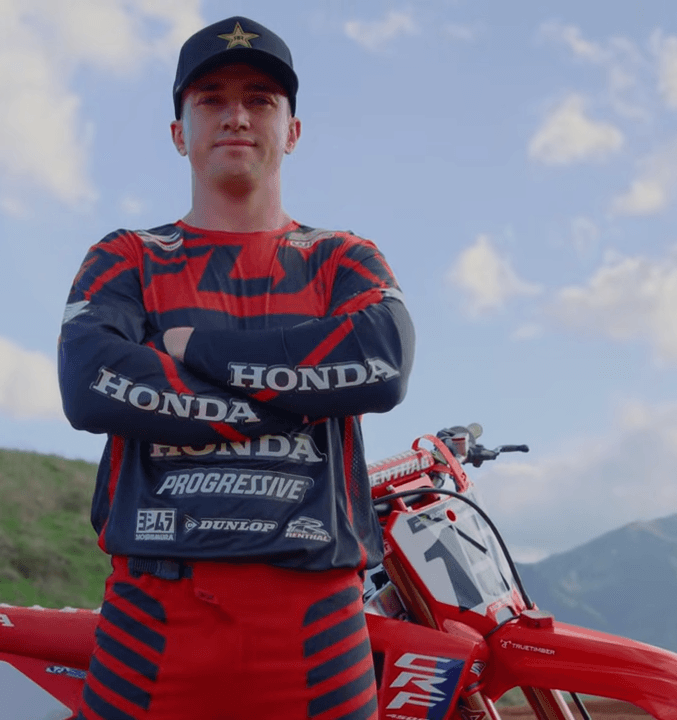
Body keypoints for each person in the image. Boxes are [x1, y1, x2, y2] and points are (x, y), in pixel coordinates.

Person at [57, 15, 415, 720]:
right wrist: (294, 393)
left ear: (293, 129)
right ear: (178, 132)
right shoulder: (127, 256)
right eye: (212, 99)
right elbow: (89, 384)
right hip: (155, 620)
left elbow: (381, 365)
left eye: (260, 99)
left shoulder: (344, 257)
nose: (237, 116)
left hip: (317, 624)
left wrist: (190, 348)